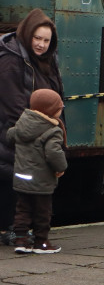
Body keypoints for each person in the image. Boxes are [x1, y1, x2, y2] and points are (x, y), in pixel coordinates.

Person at [0, 9, 63, 246]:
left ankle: (20, 231)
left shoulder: (48, 59)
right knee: (13, 180)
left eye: (46, 40)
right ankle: (11, 230)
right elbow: (12, 103)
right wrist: (40, 129)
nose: (41, 45)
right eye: (37, 38)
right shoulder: (10, 59)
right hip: (17, 132)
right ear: (28, 34)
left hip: (35, 132)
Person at [7, 90, 67, 254]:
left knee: (23, 209)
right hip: (41, 180)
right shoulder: (52, 130)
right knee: (42, 212)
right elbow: (53, 153)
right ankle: (41, 242)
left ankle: (21, 240)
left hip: (22, 177)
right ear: (50, 110)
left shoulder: (22, 124)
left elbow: (10, 136)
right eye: (59, 108)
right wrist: (61, 167)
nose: (61, 110)